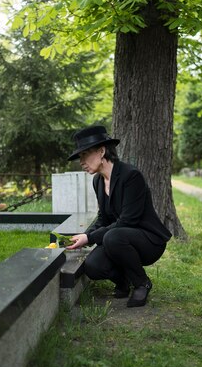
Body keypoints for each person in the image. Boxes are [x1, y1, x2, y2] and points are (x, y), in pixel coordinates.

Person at [65, 126, 172, 307]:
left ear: (101, 151)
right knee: (93, 265)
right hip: (120, 239)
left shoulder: (131, 176)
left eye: (84, 155)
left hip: (148, 241)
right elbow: (103, 218)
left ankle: (141, 283)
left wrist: (89, 237)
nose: (81, 161)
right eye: (80, 157)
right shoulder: (98, 181)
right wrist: (84, 238)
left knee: (113, 236)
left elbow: (128, 220)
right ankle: (123, 281)